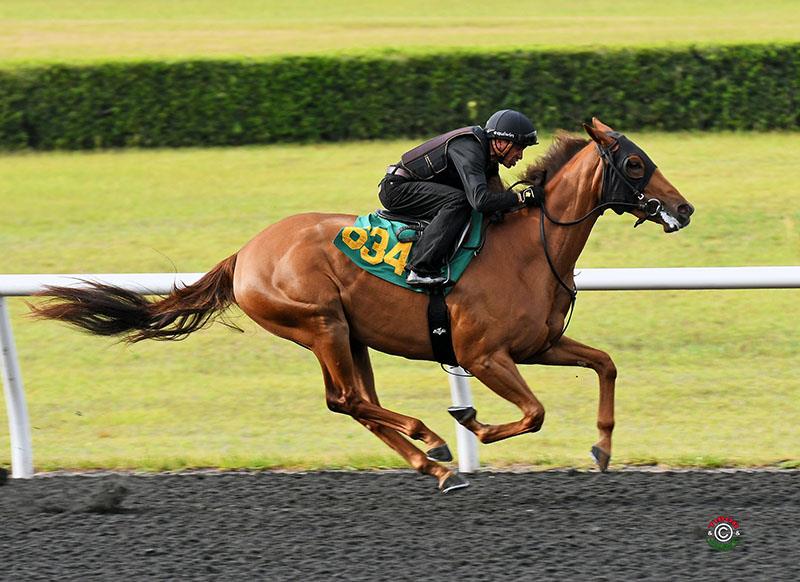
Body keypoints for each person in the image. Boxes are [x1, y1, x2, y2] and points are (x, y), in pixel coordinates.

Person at [378, 109, 542, 287]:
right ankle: (420, 269)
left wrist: (524, 200)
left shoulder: (488, 158)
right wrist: (522, 197)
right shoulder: (469, 148)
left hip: (411, 186)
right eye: (519, 148)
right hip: (397, 190)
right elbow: (481, 201)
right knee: (459, 201)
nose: (520, 155)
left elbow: (495, 200)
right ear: (501, 142)